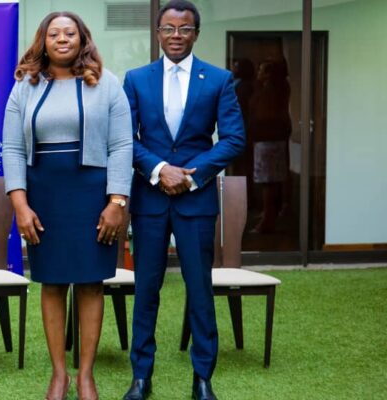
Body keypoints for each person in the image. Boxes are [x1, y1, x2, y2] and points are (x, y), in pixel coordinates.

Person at [2, 11, 132, 400]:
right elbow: (12, 148)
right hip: (44, 196)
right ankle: (59, 375)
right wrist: (20, 205)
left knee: (91, 282)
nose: (62, 39)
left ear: (82, 39)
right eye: (54, 33)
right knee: (53, 282)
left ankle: (86, 375)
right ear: (43, 41)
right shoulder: (24, 86)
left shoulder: (107, 84)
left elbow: (121, 145)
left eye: (70, 33)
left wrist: (116, 201)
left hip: (93, 195)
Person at [121, 1, 245, 399]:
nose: (176, 36)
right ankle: (141, 377)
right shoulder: (136, 79)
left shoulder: (219, 80)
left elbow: (233, 138)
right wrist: (159, 169)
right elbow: (125, 138)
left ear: (196, 33)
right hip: (150, 200)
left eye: (185, 29)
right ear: (158, 33)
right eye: (169, 29)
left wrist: (191, 175)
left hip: (196, 200)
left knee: (200, 289)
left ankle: (203, 378)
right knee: (146, 290)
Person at [248, 59, 292, 233]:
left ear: (268, 74)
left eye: (261, 70)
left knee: (268, 180)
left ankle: (268, 219)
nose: (258, 73)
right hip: (270, 138)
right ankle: (269, 214)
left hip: (267, 139)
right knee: (270, 180)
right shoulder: (275, 89)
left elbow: (263, 115)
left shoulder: (270, 92)